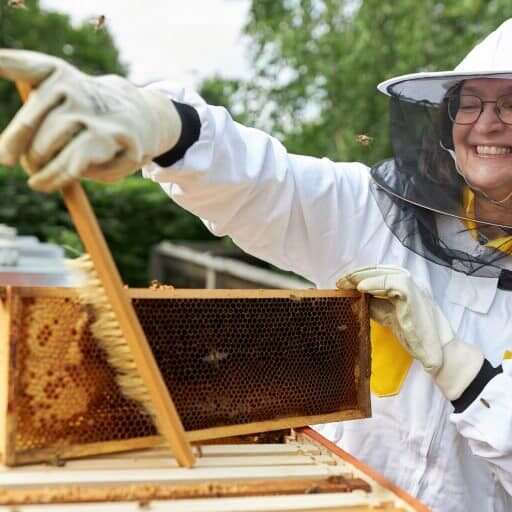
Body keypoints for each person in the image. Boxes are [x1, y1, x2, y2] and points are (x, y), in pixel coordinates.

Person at [0, 17, 512, 512]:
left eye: (511, 103)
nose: (487, 123)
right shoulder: (373, 212)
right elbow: (268, 183)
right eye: (470, 103)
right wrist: (161, 123)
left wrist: (462, 370)